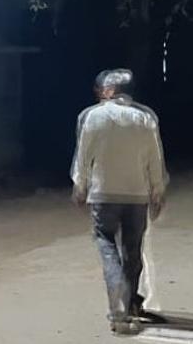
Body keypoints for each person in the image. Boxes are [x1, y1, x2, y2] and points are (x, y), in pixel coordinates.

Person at [71, 69, 168, 334]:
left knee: (107, 246)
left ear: (109, 91)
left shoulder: (92, 117)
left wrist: (80, 186)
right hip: (137, 196)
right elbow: (154, 158)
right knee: (132, 252)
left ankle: (118, 310)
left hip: (103, 196)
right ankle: (129, 303)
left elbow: (83, 156)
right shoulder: (145, 118)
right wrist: (157, 191)